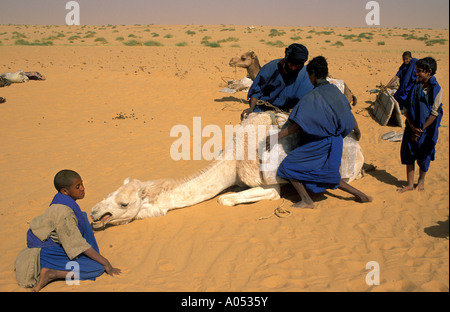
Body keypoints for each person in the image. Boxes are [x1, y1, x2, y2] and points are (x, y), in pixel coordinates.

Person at [266, 56, 372, 208]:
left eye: (309, 75)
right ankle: (361, 195)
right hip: (336, 143)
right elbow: (348, 112)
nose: (309, 79)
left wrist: (277, 136)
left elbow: (296, 125)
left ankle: (307, 200)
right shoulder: (335, 90)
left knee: (287, 167)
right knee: (329, 175)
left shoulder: (311, 97)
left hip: (320, 144)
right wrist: (357, 130)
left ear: (313, 74)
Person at [15, 169, 121, 291]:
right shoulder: (64, 213)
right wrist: (106, 263)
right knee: (97, 268)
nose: (82, 188)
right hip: (46, 253)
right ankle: (53, 273)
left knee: (82, 217)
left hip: (54, 246)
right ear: (64, 191)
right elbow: (77, 244)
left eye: (82, 184)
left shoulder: (62, 200)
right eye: (77, 187)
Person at [398, 57, 443, 193]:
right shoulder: (414, 86)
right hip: (411, 126)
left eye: (419, 71)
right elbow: (405, 109)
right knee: (408, 153)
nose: (416, 73)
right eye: (416, 70)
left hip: (427, 130)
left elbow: (435, 113)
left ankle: (421, 181)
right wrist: (412, 127)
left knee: (424, 155)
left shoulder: (437, 90)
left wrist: (421, 130)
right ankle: (410, 184)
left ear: (429, 71)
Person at [241, 43, 314, 120]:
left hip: (289, 114)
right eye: (291, 64)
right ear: (286, 59)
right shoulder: (271, 68)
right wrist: (251, 108)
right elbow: (256, 90)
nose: (293, 68)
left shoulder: (306, 75)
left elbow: (308, 100)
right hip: (264, 109)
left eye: (297, 66)